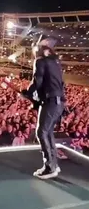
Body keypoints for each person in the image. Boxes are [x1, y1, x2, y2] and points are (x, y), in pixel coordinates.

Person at [21, 37, 65, 179]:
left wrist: (27, 92)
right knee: (48, 132)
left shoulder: (40, 61)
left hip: (50, 102)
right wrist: (35, 99)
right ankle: (53, 164)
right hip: (58, 102)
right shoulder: (56, 62)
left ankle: (49, 167)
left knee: (41, 132)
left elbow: (37, 81)